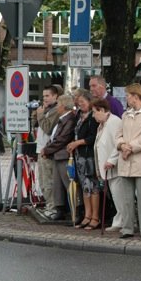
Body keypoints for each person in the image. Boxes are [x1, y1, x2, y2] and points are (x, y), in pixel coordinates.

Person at [116, 83, 141, 240]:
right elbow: (118, 134)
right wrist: (121, 145)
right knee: (126, 197)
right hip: (126, 159)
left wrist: (130, 147)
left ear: (135, 96)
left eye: (128, 96)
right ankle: (127, 228)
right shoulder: (126, 114)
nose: (126, 98)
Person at [66, 90, 100, 229]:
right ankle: (87, 215)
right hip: (79, 156)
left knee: (93, 186)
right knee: (84, 186)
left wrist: (78, 142)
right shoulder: (79, 116)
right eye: (79, 103)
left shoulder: (93, 117)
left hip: (89, 156)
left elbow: (93, 137)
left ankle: (95, 217)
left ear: (89, 102)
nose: (81, 105)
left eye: (83, 103)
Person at [40, 95, 76, 222]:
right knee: (57, 185)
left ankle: (75, 210)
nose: (57, 107)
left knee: (68, 184)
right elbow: (55, 138)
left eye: (59, 104)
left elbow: (62, 139)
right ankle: (60, 209)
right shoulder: (62, 119)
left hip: (63, 155)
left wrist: (47, 150)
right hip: (57, 155)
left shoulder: (69, 119)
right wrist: (48, 149)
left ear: (63, 106)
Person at [92, 98, 124, 232]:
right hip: (107, 168)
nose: (93, 115)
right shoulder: (103, 124)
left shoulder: (114, 122)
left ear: (102, 110)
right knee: (116, 196)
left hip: (114, 167)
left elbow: (118, 144)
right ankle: (120, 220)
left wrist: (111, 160)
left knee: (119, 195)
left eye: (94, 112)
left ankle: (122, 221)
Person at [34, 85, 61, 214]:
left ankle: (52, 207)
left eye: (47, 96)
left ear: (55, 96)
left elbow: (48, 128)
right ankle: (48, 204)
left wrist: (40, 115)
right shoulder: (46, 109)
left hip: (48, 150)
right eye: (43, 96)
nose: (44, 98)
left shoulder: (56, 110)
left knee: (48, 181)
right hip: (40, 148)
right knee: (42, 181)